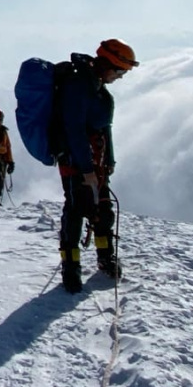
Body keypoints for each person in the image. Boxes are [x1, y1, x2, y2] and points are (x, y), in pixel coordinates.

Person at [55, 38, 138, 293]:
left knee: (102, 208)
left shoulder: (98, 90)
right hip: (76, 162)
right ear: (109, 64)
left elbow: (105, 130)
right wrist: (87, 169)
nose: (121, 77)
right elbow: (74, 130)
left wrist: (108, 161)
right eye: (121, 71)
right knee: (77, 209)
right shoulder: (79, 86)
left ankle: (105, 257)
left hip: (96, 163)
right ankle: (71, 268)